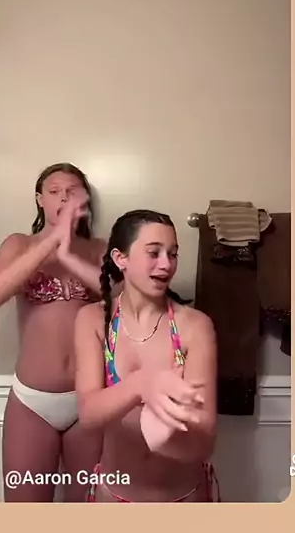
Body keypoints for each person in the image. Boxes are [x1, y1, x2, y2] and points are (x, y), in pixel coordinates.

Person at [74, 209, 220, 502]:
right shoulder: (93, 320)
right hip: (114, 497)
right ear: (121, 259)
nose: (167, 264)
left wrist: (162, 435)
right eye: (154, 253)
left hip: (183, 498)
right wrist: (142, 384)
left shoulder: (195, 326)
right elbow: (88, 414)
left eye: (173, 254)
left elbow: (204, 443)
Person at [0, 162, 106, 502]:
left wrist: (68, 253)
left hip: (89, 400)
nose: (64, 198)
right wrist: (52, 239)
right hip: (32, 402)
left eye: (72, 191)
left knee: (88, 512)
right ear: (40, 200)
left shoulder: (100, 249)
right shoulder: (18, 244)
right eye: (54, 192)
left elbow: (124, 298)